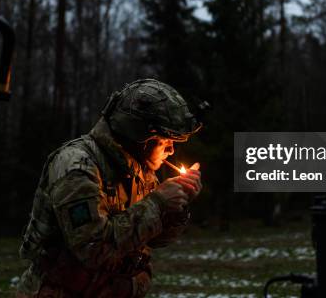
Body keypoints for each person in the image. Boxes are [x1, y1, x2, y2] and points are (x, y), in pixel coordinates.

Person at [16, 79, 203, 298]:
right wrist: (158, 203)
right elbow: (93, 249)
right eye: (165, 141)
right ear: (140, 136)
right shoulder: (77, 167)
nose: (171, 150)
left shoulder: (139, 169)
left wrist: (178, 205)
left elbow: (155, 239)